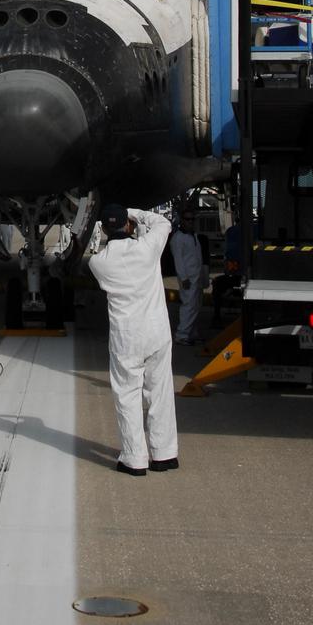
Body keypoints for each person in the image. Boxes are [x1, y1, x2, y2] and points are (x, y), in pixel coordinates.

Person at [88, 204, 178, 476]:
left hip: (126, 335)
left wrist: (124, 220)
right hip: (156, 331)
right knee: (160, 392)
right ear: (129, 226)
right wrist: (135, 213)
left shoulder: (98, 263)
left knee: (127, 395)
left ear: (103, 229)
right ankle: (164, 455)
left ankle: (134, 459)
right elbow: (163, 223)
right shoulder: (148, 248)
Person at [170, 213, 204, 345]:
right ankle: (182, 334)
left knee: (195, 305)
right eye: (188, 219)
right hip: (188, 278)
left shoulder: (192, 236)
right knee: (188, 306)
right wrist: (183, 278)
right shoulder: (178, 238)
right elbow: (178, 260)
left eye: (192, 219)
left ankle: (191, 332)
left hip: (196, 276)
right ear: (182, 221)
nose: (191, 222)